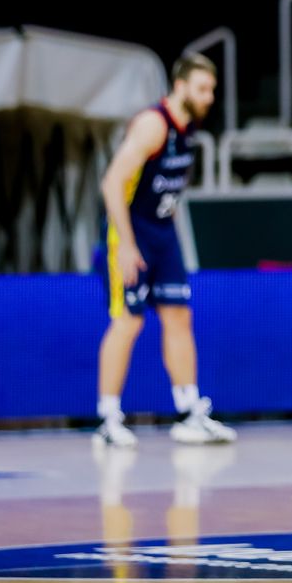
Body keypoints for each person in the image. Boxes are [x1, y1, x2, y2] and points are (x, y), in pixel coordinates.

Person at [94, 53, 236, 449]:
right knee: (128, 321)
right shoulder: (153, 125)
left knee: (178, 316)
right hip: (130, 233)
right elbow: (111, 184)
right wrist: (125, 245)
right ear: (180, 86)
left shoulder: (189, 127)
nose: (209, 97)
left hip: (162, 233)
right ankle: (108, 418)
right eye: (202, 89)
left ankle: (189, 411)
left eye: (212, 90)